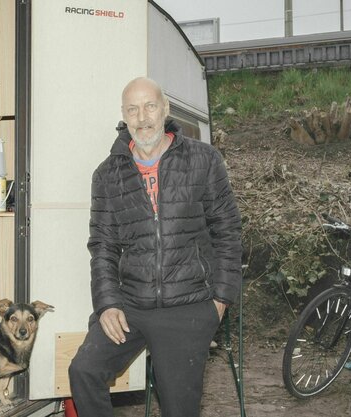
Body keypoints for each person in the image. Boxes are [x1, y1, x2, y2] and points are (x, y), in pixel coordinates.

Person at [68, 77, 242, 416]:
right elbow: (102, 246)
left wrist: (220, 299)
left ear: (165, 109)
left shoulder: (203, 160)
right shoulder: (107, 174)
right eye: (133, 109)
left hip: (188, 304)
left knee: (178, 407)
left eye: (149, 106)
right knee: (84, 371)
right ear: (124, 115)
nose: (142, 117)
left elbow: (228, 230)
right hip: (131, 303)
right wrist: (107, 304)